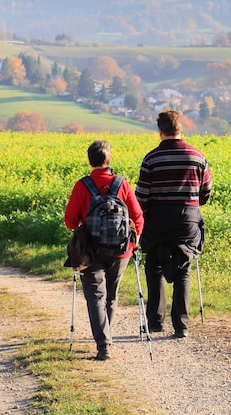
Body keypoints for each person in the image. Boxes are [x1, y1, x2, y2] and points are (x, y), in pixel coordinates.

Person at [64, 140, 144, 360]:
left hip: (90, 251)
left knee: (95, 296)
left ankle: (103, 345)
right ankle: (107, 336)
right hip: (121, 250)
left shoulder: (82, 186)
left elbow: (70, 222)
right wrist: (133, 242)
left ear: (90, 160)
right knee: (111, 295)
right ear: (109, 159)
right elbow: (137, 216)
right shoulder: (122, 184)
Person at [135, 110, 212, 339]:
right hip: (187, 220)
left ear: (160, 131)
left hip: (158, 220)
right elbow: (205, 194)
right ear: (181, 128)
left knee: (155, 268)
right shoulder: (198, 157)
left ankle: (155, 322)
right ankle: (181, 326)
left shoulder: (151, 158)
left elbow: (142, 197)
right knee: (183, 270)